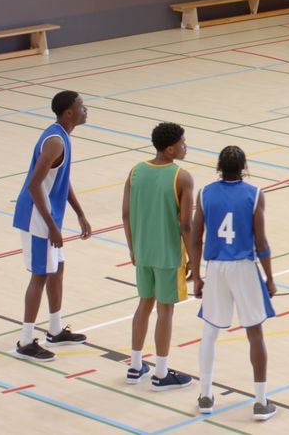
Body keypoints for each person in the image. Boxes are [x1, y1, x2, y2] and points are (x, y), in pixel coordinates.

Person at [190, 146, 278, 420]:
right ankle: (261, 402)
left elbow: (195, 238)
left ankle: (205, 396)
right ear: (244, 167)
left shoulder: (205, 193)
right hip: (244, 267)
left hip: (216, 267)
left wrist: (197, 275)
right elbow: (261, 242)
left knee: (209, 333)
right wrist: (270, 278)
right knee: (255, 333)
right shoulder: (254, 195)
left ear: (219, 166)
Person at [12, 90, 92, 362]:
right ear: (68, 112)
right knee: (40, 275)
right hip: (37, 215)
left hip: (49, 215)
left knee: (57, 268)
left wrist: (79, 213)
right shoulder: (56, 141)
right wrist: (52, 227)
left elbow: (61, 178)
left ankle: (55, 330)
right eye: (81, 106)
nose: (85, 110)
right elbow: (34, 185)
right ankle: (25, 342)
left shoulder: (63, 137)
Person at [122, 122, 195, 391]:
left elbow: (126, 214)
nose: (186, 146)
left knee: (144, 305)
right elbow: (187, 225)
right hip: (168, 254)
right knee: (165, 311)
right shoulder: (182, 177)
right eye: (183, 143)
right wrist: (195, 259)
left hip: (142, 251)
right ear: (169, 148)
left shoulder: (135, 171)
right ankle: (161, 373)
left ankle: (135, 365)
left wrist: (132, 248)